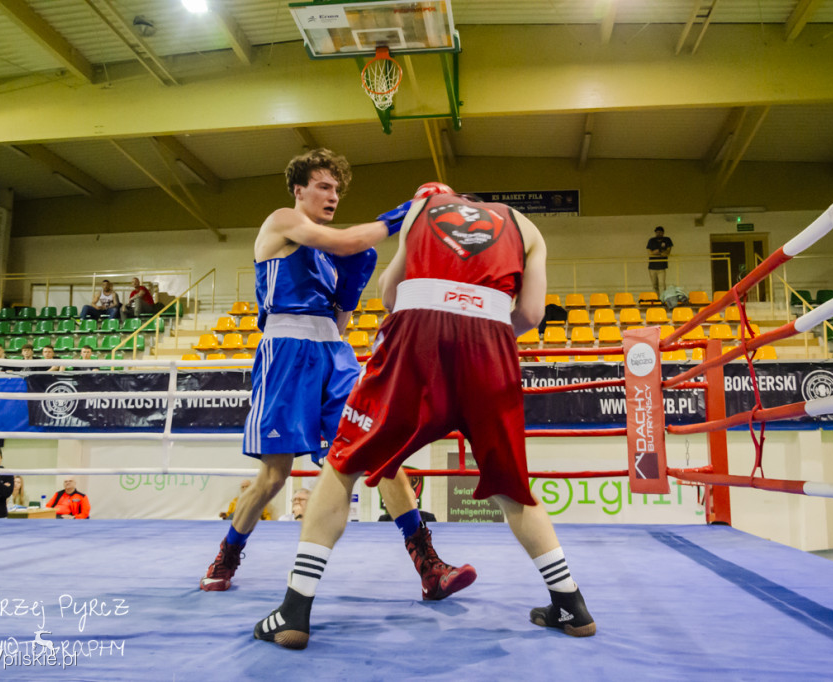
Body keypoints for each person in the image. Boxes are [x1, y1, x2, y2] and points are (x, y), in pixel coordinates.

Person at [255, 185, 595, 650]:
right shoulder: (525, 225)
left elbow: (390, 293)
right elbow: (532, 313)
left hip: (419, 336)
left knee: (343, 463)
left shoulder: (423, 209)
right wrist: (486, 327)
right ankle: (571, 605)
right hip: (493, 344)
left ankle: (295, 610)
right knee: (512, 484)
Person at [200, 150, 475, 601]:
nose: (332, 196)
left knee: (381, 450)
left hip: (334, 352)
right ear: (299, 189)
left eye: (337, 189)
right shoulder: (282, 222)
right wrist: (411, 210)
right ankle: (228, 553)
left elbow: (342, 321)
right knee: (274, 476)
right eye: (324, 187)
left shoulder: (331, 253)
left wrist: (350, 288)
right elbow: (350, 242)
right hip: (286, 352)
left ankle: (428, 565)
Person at [647, 226, 673, 295]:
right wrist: (657, 252)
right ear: (655, 233)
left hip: (662, 266)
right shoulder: (651, 240)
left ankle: (663, 299)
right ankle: (657, 300)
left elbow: (667, 252)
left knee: (662, 284)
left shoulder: (667, 240)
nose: (658, 234)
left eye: (660, 232)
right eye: (657, 232)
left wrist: (658, 252)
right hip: (652, 267)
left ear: (663, 233)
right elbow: (650, 252)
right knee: (654, 285)